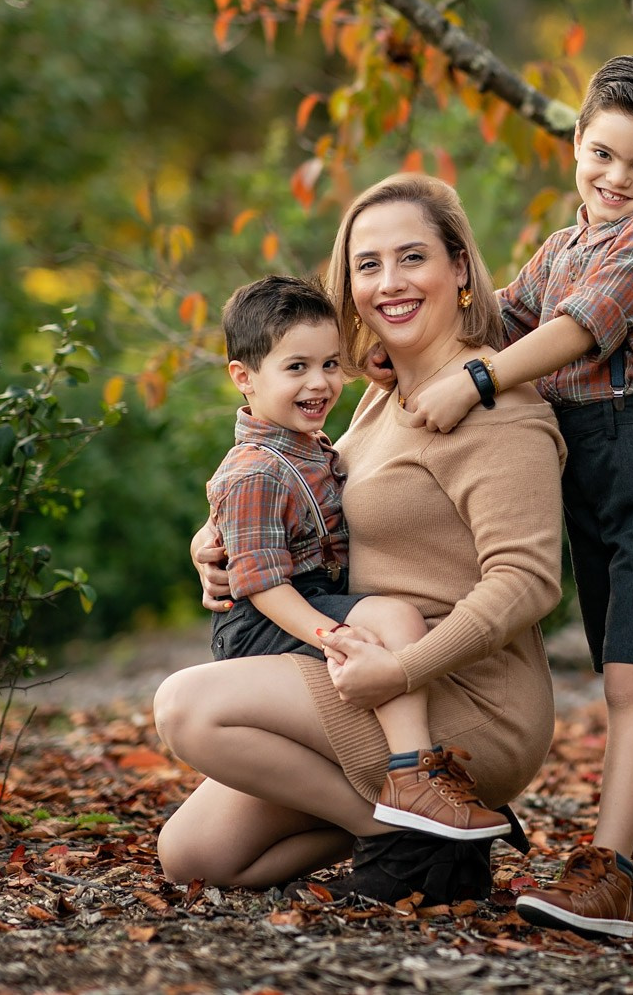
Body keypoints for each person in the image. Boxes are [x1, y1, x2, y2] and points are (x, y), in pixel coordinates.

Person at [155, 174, 566, 890]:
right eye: (367, 264)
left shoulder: (501, 413)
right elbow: (308, 492)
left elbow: (527, 583)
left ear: (459, 267)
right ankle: (419, 832)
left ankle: (418, 824)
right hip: (364, 664)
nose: (389, 282)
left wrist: (402, 669)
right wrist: (214, 536)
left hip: (459, 699)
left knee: (187, 706)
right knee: (195, 856)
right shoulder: (381, 396)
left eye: (412, 257)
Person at [400, 54, 633, 940]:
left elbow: (577, 330)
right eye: (603, 154)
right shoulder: (563, 246)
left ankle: (607, 870)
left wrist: (477, 378)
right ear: (577, 142)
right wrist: (418, 317)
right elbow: (503, 315)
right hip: (594, 468)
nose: (618, 178)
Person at [203, 274, 507, 841]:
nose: (319, 383)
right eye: (296, 367)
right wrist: (333, 636)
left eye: (329, 364)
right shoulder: (253, 471)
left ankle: (404, 810)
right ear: (243, 377)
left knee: (383, 622)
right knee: (391, 619)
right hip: (266, 622)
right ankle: (414, 776)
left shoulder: (310, 447)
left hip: (305, 603)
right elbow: (264, 587)